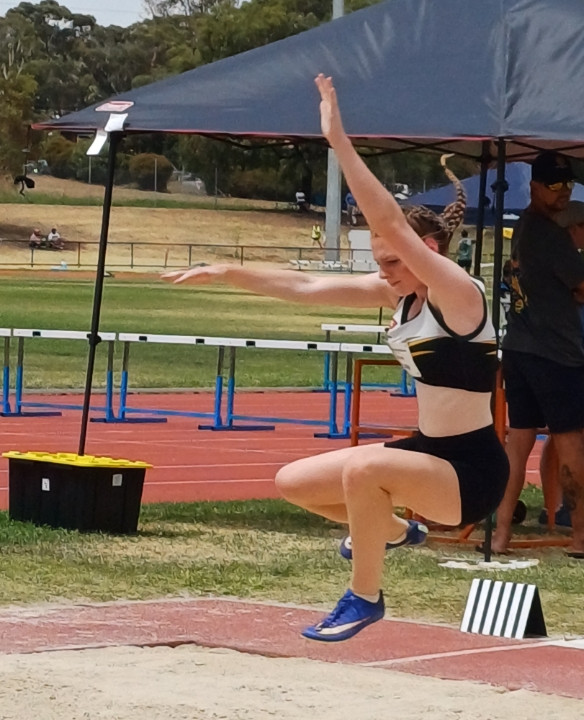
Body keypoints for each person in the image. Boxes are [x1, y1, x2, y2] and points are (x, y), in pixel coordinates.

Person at [162, 73, 507, 642]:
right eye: (380, 262)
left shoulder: (459, 294)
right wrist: (228, 270)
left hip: (471, 471)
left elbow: (391, 222)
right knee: (294, 481)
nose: (385, 272)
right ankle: (392, 530)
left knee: (364, 469)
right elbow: (303, 288)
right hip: (425, 454)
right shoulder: (396, 296)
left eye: (394, 261)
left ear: (430, 251)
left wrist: (339, 142)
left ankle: (364, 596)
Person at [492, 151, 584, 558]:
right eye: (554, 186)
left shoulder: (524, 227)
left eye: (568, 186)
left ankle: (501, 533)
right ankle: (580, 537)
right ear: (534, 187)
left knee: (518, 443)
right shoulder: (550, 234)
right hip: (557, 355)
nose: (562, 193)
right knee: (571, 446)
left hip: (519, 349)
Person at [536, 200, 584, 529]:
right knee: (568, 437)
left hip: (580, 358)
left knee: (573, 437)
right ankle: (558, 509)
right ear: (572, 228)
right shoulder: (561, 262)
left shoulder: (574, 262)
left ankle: (558, 507)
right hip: (561, 358)